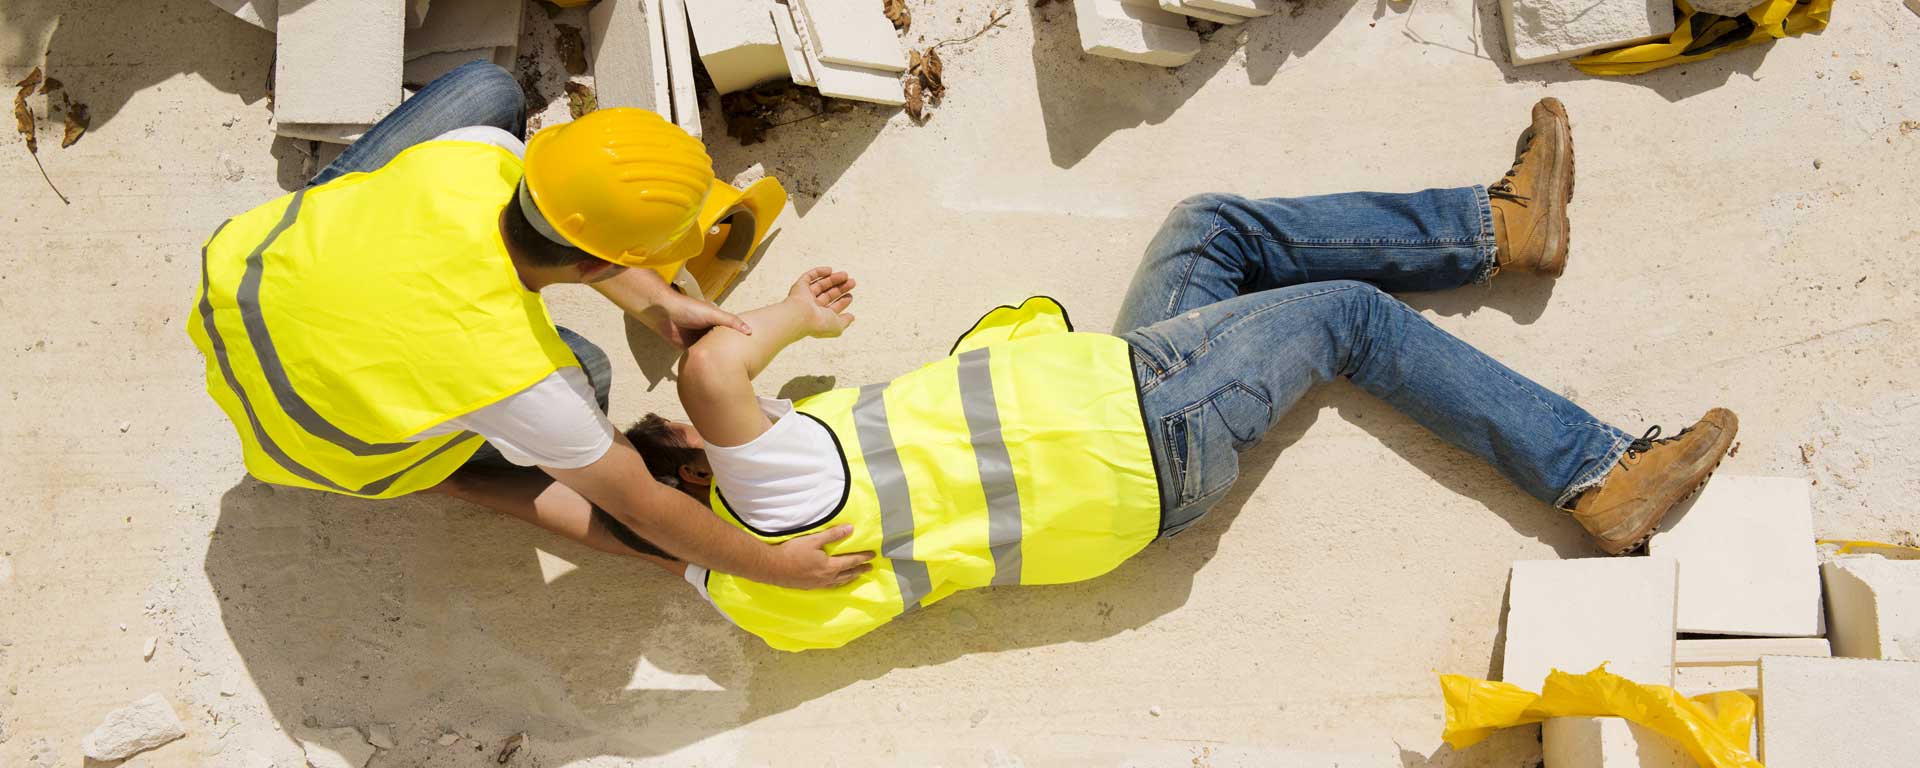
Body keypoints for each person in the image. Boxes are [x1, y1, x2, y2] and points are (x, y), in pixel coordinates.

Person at [609, 98, 1740, 651]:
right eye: (698, 436)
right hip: (1139, 423)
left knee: (1211, 231)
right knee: (1347, 317)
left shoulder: (743, 596)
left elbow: (613, 511)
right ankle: (1597, 474)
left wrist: (584, 491)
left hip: (1123, 446)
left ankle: (1501, 228)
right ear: (707, 467)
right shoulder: (784, 493)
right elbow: (713, 366)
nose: (735, 417)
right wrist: (789, 319)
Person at [188, 61, 872, 589]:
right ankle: (438, 471)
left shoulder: (476, 155)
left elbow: (566, 230)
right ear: (606, 260)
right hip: (314, 443)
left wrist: (656, 301)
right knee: (593, 376)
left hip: (240, 289)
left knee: (487, 89)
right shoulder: (530, 380)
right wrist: (773, 566)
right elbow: (640, 510)